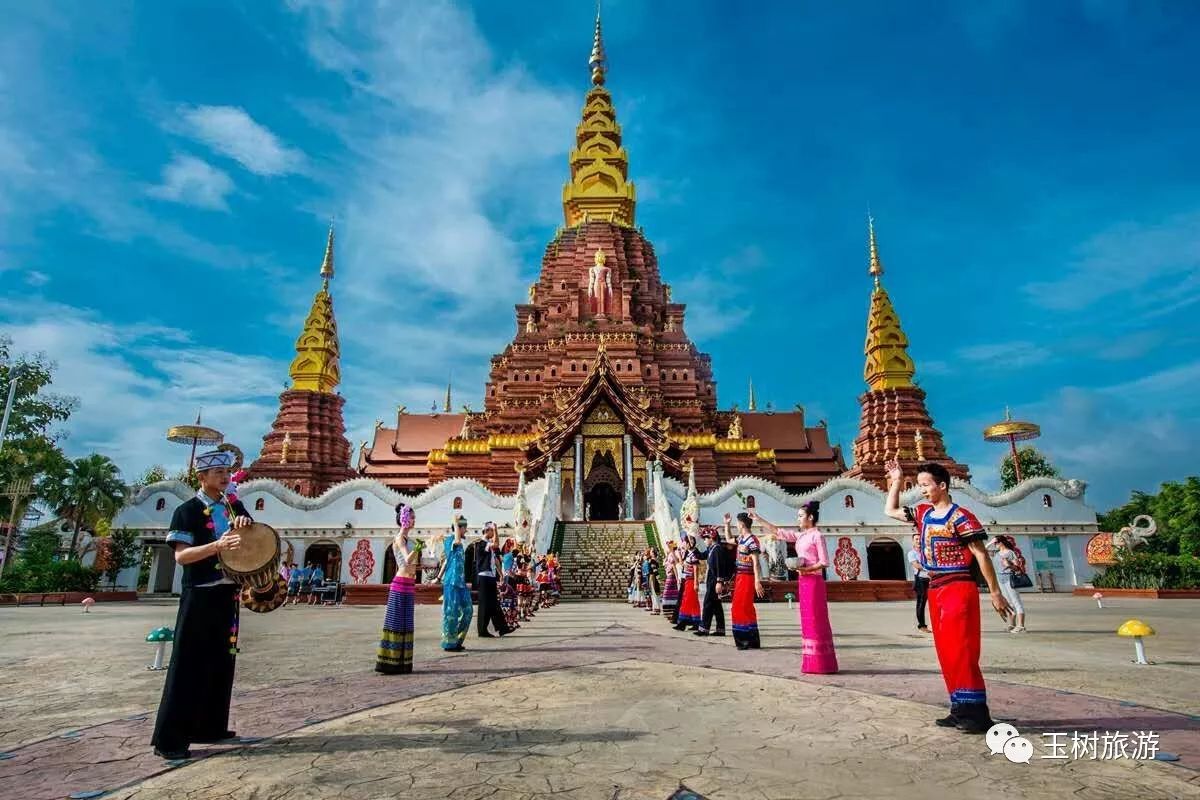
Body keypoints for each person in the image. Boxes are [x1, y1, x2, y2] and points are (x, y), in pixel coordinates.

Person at [884, 459, 1011, 734]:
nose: (922, 491)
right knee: (946, 652)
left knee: (962, 650)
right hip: (936, 588)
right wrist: (896, 479)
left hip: (959, 587)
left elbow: (980, 553)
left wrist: (995, 592)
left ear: (942, 486)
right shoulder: (923, 515)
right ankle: (958, 708)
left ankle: (976, 715)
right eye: (919, 486)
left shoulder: (961, 517)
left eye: (926, 485)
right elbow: (890, 509)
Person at [150, 449, 253, 761]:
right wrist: (216, 545)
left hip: (227, 593)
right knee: (188, 664)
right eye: (219, 472)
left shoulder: (234, 507)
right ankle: (170, 740)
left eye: (228, 472)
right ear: (202, 477)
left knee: (222, 661)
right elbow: (181, 556)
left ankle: (211, 726)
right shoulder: (188, 510)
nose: (225, 477)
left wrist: (247, 526)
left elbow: (251, 542)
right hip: (200, 593)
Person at [753, 502, 838, 673]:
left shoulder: (817, 536)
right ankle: (810, 662)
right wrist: (758, 519)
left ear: (811, 517)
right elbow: (778, 532)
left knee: (816, 620)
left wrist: (805, 569)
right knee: (807, 621)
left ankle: (823, 663)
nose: (798, 519)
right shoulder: (801, 536)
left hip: (814, 582)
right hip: (803, 582)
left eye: (800, 516)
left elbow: (824, 562)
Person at [376, 504, 419, 674]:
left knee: (406, 623)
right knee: (395, 622)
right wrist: (417, 549)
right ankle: (389, 662)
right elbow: (407, 560)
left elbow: (412, 563)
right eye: (412, 517)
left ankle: (402, 662)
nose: (414, 520)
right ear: (404, 519)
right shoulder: (400, 538)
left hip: (409, 584)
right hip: (400, 583)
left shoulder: (409, 540)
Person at [436, 514, 473, 652]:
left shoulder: (459, 545)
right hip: (451, 582)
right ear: (459, 528)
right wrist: (455, 521)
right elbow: (456, 539)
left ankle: (457, 639)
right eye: (465, 528)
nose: (466, 531)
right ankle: (449, 642)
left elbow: (447, 561)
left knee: (468, 610)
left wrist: (438, 577)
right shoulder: (450, 540)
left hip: (460, 583)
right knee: (451, 612)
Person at [730, 512, 765, 650]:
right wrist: (726, 524)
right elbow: (728, 539)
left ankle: (743, 639)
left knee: (740, 607)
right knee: (746, 607)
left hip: (747, 577)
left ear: (742, 524)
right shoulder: (741, 539)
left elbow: (756, 563)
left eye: (737, 523)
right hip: (740, 576)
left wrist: (757, 581)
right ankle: (752, 640)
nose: (736, 525)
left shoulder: (752, 540)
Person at [474, 521, 511, 637]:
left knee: (494, 603)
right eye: (491, 531)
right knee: (485, 604)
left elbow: (494, 561)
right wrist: (496, 530)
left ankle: (502, 628)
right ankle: (482, 630)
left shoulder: (488, 544)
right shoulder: (481, 543)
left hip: (490, 576)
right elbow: (496, 544)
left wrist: (500, 573)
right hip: (483, 576)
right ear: (487, 531)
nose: (493, 533)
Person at [992, 536, 1027, 633]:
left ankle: (1021, 626)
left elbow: (1017, 568)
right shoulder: (997, 554)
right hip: (1000, 579)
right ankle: (1012, 624)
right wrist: (991, 542)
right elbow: (984, 550)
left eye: (996, 543)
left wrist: (1009, 565)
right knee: (1008, 603)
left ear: (1001, 543)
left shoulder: (1010, 553)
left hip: (1009, 578)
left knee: (1016, 602)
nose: (995, 545)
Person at [673, 536, 703, 631]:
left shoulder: (693, 554)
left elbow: (696, 568)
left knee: (686, 601)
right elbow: (682, 564)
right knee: (694, 602)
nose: (683, 544)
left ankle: (682, 622)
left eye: (685, 542)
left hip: (691, 580)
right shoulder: (689, 554)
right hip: (688, 579)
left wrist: (696, 583)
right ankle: (696, 622)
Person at [908, 533, 930, 632]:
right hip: (921, 580)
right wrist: (930, 569)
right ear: (913, 541)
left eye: (919, 539)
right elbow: (916, 565)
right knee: (921, 602)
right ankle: (922, 625)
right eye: (916, 539)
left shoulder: (927, 552)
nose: (918, 541)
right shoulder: (912, 553)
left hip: (931, 579)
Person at [661, 540, 680, 624]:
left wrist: (677, 578)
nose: (667, 547)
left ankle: (673, 615)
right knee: (668, 596)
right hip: (669, 576)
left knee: (670, 596)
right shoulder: (669, 554)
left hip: (672, 577)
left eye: (668, 546)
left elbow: (674, 566)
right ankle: (670, 614)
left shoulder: (674, 553)